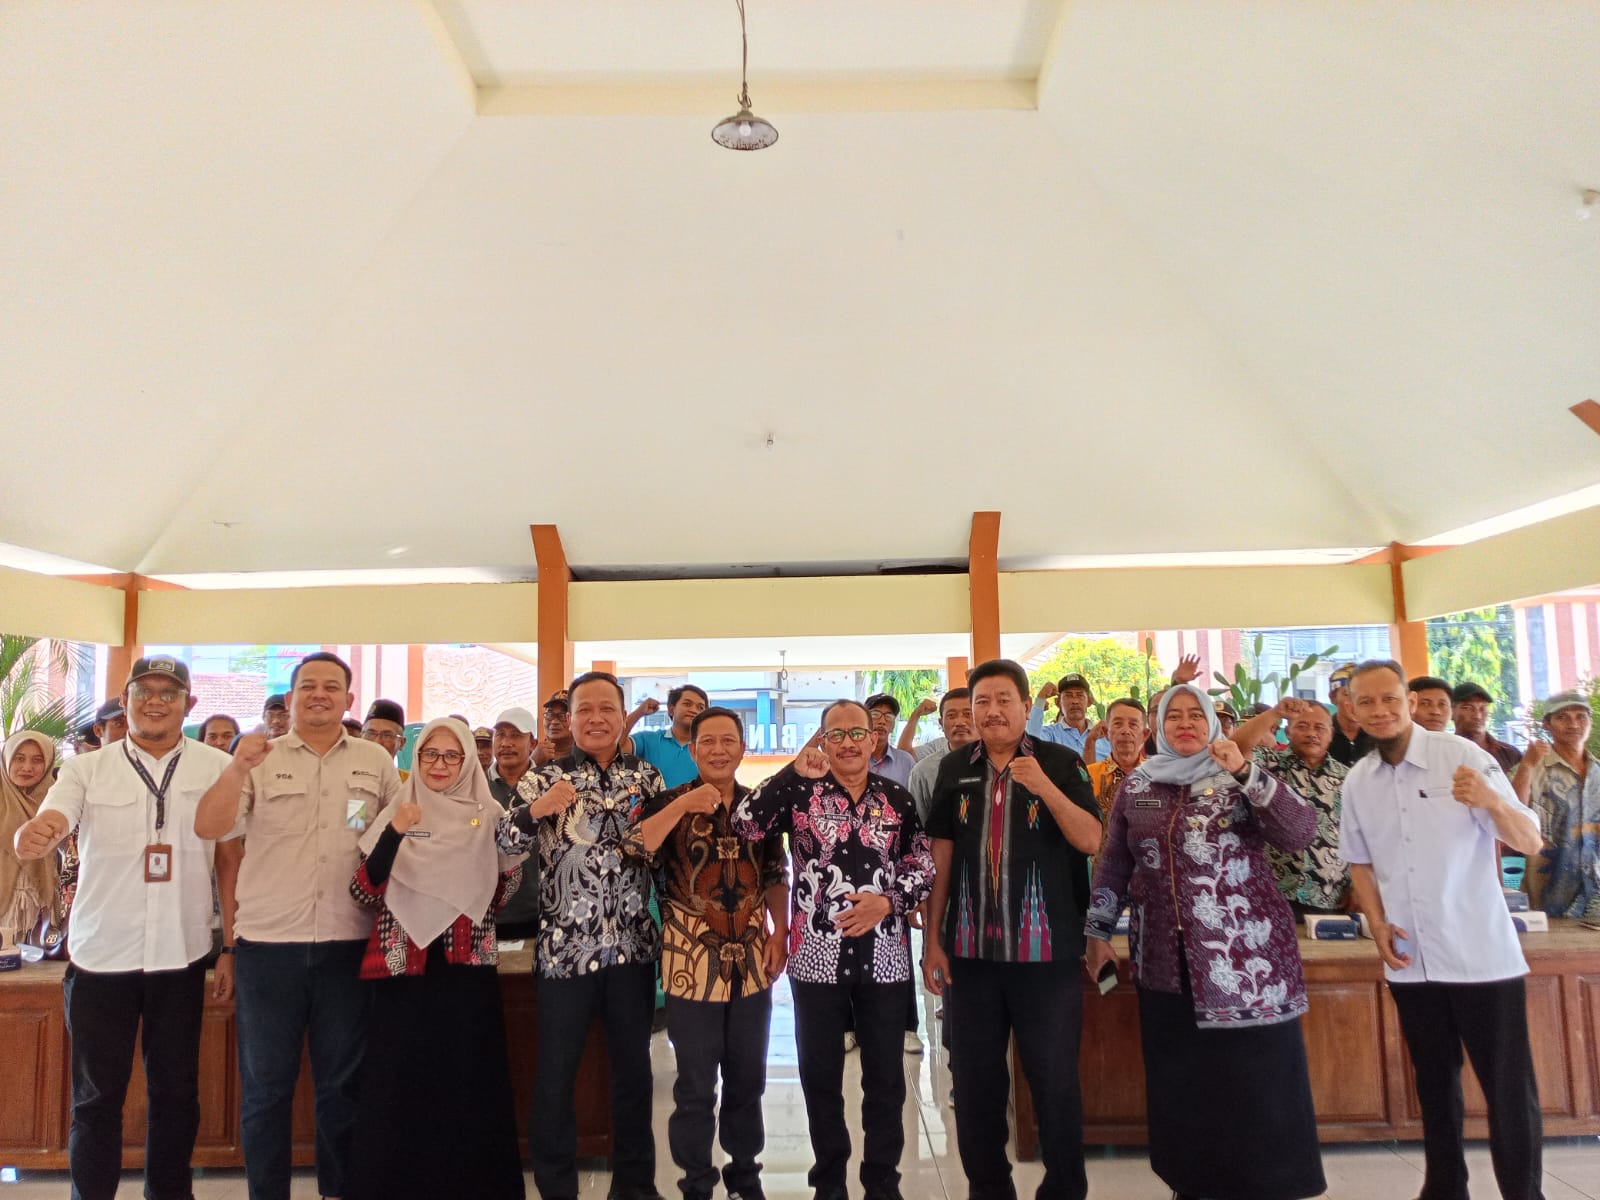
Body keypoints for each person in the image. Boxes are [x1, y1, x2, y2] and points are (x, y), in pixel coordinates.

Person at [1084, 685, 1325, 1200]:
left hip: (1248, 964)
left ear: (1212, 723)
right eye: (1174, 716)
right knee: (1183, 1088)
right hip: (1165, 966)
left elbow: (1300, 831)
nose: (1186, 723)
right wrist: (1097, 932)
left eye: (1197, 714)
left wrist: (1244, 770)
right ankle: (1192, 1186)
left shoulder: (1238, 774)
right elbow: (1114, 862)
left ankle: (1266, 1188)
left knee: (1255, 1087)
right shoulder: (1139, 785)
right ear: (1158, 727)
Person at [13, 656, 233, 1200]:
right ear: (126, 700)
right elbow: (56, 816)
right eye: (143, 691)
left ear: (188, 704)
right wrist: (36, 832)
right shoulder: (86, 769)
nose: (155, 701)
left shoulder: (217, 767)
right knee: (95, 1100)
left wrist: (230, 944)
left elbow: (231, 858)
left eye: (168, 692)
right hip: (100, 959)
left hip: (180, 956)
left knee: (177, 1096)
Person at [194, 651, 401, 1200]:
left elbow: (403, 836)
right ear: (290, 698)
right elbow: (209, 827)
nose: (319, 694)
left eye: (331, 686)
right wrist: (236, 767)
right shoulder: (258, 758)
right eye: (308, 685)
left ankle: (339, 1190)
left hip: (348, 944)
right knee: (266, 1091)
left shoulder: (375, 762)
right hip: (269, 949)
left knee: (341, 1087)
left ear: (348, 700)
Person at [1340, 659, 1545, 1200]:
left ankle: (1525, 1194)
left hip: (1480, 954)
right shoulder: (1358, 781)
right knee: (1434, 1086)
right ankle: (1445, 1189)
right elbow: (1359, 862)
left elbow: (1529, 840)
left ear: (1409, 701)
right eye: (1366, 702)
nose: (1380, 710)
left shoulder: (1462, 757)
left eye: (1390, 698)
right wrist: (1376, 923)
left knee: (1507, 1090)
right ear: (1351, 709)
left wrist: (1492, 800)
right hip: (1410, 958)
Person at [733, 700, 932, 1200]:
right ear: (822, 741)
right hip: (815, 957)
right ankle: (829, 1181)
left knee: (885, 1080)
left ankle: (882, 1181)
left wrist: (889, 901)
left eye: (857, 733)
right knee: (820, 1078)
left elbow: (922, 865)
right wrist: (790, 771)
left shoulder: (897, 798)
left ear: (874, 738)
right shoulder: (800, 793)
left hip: (884, 958)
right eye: (835, 734)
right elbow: (745, 825)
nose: (847, 743)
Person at [922, 659, 1102, 1200]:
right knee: (975, 1085)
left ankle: (1064, 1188)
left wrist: (1044, 787)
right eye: (982, 701)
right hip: (970, 956)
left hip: (1046, 958)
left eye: (1004, 700)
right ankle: (988, 1189)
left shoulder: (1061, 762)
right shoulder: (954, 768)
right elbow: (940, 857)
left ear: (1027, 706)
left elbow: (1091, 839)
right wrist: (932, 941)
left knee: (1054, 1081)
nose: (992, 711)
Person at [494, 671, 666, 1200]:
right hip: (564, 954)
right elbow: (502, 844)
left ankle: (635, 1187)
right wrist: (535, 811)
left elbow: (664, 857)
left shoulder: (647, 777)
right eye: (584, 709)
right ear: (568, 720)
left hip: (633, 950)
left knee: (634, 1076)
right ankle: (557, 1189)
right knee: (555, 1078)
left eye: (606, 708)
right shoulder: (542, 778)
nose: (596, 718)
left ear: (622, 716)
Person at [344, 718, 526, 1200]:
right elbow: (362, 891)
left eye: (451, 755)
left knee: (467, 1080)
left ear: (467, 761)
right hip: (403, 968)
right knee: (400, 1081)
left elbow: (504, 890)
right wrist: (394, 834)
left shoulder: (488, 815)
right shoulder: (398, 809)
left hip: (466, 967)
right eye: (430, 754)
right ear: (416, 757)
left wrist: (475, 875)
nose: (440, 765)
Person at [626, 707, 788, 1200]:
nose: (719, 750)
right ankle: (696, 1182)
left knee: (748, 1079)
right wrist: (682, 806)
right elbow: (634, 847)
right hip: (689, 963)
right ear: (692, 750)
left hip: (753, 962)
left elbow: (775, 873)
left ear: (742, 748)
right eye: (708, 742)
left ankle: (745, 1175)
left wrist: (781, 931)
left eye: (728, 740)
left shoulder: (759, 807)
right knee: (695, 1086)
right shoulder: (666, 802)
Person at [1233, 699, 1351, 918]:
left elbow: (1363, 834)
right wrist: (1275, 713)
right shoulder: (1269, 764)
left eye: (1319, 727)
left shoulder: (1349, 778)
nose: (1311, 733)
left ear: (1331, 734)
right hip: (1271, 895)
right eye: (1302, 726)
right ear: (1287, 732)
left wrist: (1358, 885)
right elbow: (1235, 749)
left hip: (1329, 896)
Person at [1513, 689, 1598, 919]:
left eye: (1581, 717)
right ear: (1547, 725)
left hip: (1595, 896)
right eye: (1562, 717)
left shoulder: (1598, 772)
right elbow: (1513, 813)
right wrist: (1527, 767)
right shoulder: (1533, 767)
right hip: (1547, 894)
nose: (1574, 724)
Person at [485, 706, 542, 940]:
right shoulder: (476, 786)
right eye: (500, 735)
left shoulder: (548, 785)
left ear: (533, 743)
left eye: (516, 736)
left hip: (538, 914)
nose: (506, 743)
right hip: (484, 915)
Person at [2, 731, 60, 947]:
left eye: (37, 760)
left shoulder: (59, 801)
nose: (27, 767)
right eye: (19, 758)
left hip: (43, 913)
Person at [1085, 698, 1147, 855]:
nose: (1125, 731)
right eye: (1118, 724)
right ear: (1107, 732)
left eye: (1133, 724)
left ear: (1145, 734)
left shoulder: (1158, 778)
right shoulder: (1088, 776)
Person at [906, 689, 975, 824]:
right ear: (941, 723)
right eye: (951, 716)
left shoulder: (998, 763)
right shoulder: (923, 772)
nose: (960, 722)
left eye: (968, 714)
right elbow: (918, 825)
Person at [624, 684, 709, 787]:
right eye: (687, 704)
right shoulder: (648, 740)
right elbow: (617, 744)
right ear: (671, 710)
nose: (694, 710)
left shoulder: (708, 747)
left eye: (700, 707)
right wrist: (639, 712)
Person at [1026, 673, 1111, 762]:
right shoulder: (1050, 734)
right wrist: (1040, 699)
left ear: (1089, 702)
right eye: (1068, 696)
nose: (1075, 701)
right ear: (1058, 702)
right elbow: (1031, 744)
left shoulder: (1104, 734)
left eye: (1080, 695)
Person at [1453, 682, 1524, 773]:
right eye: (1468, 708)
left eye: (1482, 708)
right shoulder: (1444, 753)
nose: (1477, 716)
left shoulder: (1510, 754)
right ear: (1451, 712)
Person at [864, 693, 916, 787]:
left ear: (893, 726)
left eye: (888, 716)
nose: (882, 721)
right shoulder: (852, 757)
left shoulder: (906, 761)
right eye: (875, 714)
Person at [1326, 664, 1374, 765]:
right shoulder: (1322, 732)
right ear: (1333, 698)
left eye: (1362, 695)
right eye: (1347, 694)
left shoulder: (1378, 731)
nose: (1355, 701)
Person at [362, 698, 409, 778]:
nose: (377, 742)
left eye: (387, 735)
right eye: (370, 734)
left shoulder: (409, 783)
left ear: (401, 743)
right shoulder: (344, 776)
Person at [896, 696, 947, 762]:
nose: (958, 722)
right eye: (952, 715)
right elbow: (904, 756)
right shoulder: (939, 746)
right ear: (941, 722)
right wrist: (916, 714)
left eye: (965, 714)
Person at [532, 689, 573, 766]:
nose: (554, 722)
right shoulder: (532, 755)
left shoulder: (585, 757)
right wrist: (532, 763)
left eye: (563, 716)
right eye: (550, 714)